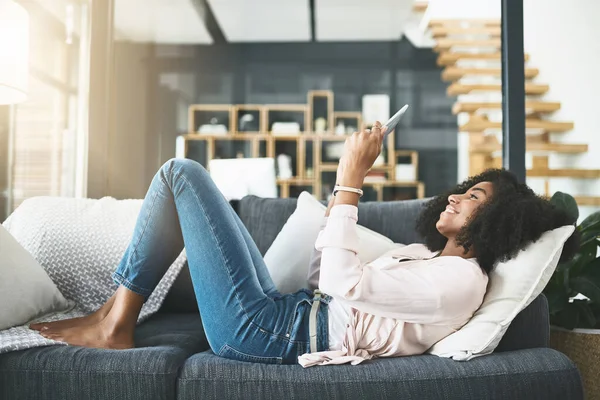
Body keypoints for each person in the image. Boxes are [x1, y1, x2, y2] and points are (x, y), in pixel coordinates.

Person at [30, 122, 578, 367]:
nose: (456, 197)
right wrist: (328, 223)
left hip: (266, 334)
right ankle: (114, 312)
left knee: (182, 173)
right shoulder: (425, 260)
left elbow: (344, 283)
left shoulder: (462, 282)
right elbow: (328, 280)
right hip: (282, 313)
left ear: (499, 220)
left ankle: (116, 320)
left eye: (474, 196)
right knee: (193, 189)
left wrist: (350, 181)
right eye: (462, 190)